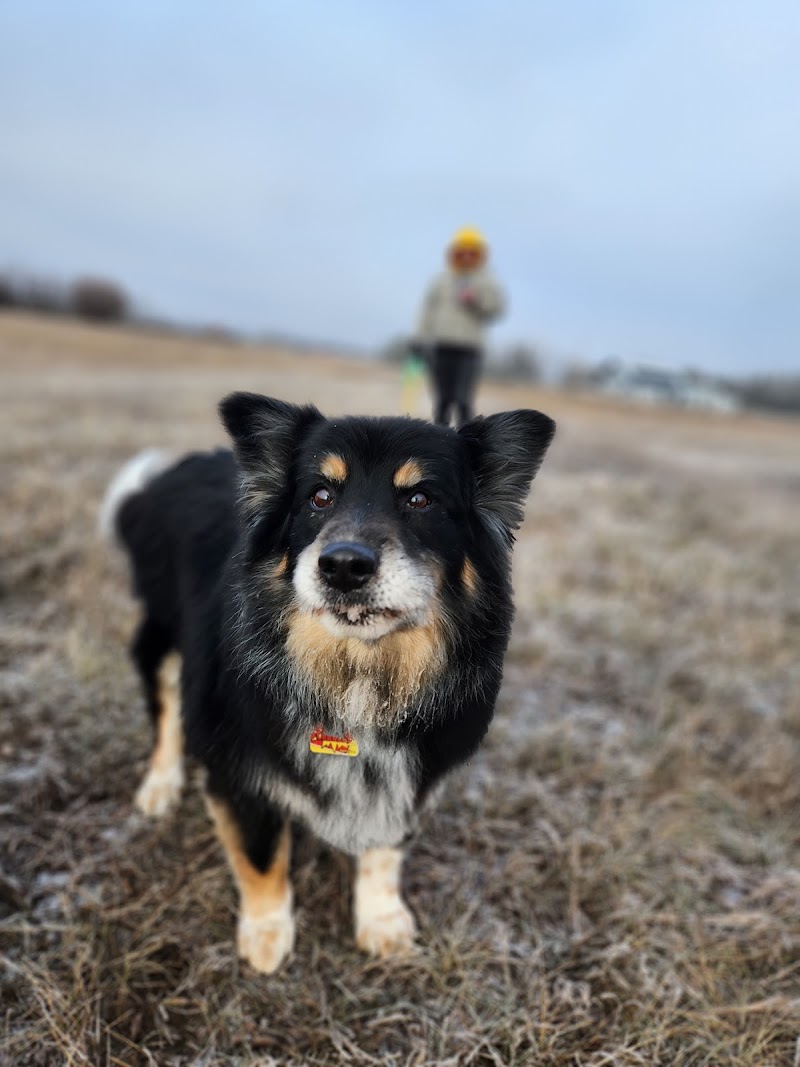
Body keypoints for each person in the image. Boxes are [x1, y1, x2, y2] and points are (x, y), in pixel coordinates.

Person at [414, 227, 506, 427]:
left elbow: (497, 309)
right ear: (454, 253)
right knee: (442, 400)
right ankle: (440, 438)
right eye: (461, 252)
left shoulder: (487, 281)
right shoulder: (441, 280)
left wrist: (476, 301)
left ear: (480, 255)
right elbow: (427, 311)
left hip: (469, 349)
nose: (466, 257)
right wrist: (419, 339)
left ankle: (467, 442)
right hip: (442, 346)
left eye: (471, 252)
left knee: (463, 400)